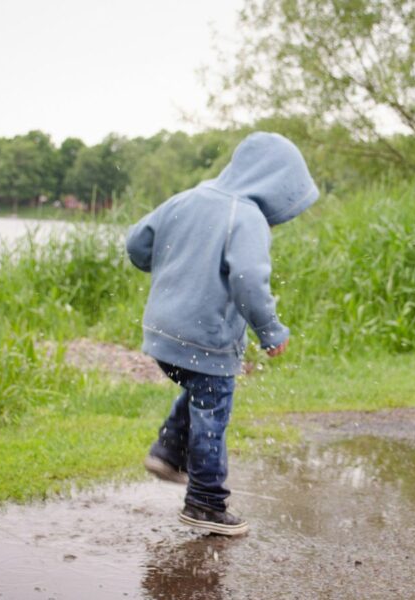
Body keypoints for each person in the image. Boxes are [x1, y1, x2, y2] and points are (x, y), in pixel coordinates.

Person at [125, 132, 319, 536]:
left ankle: (168, 450)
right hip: (206, 337)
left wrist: (170, 268)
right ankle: (205, 503)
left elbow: (136, 243)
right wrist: (270, 330)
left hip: (162, 332)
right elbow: (248, 280)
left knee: (201, 390)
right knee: (213, 409)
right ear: (274, 182)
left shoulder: (187, 198)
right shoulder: (244, 215)